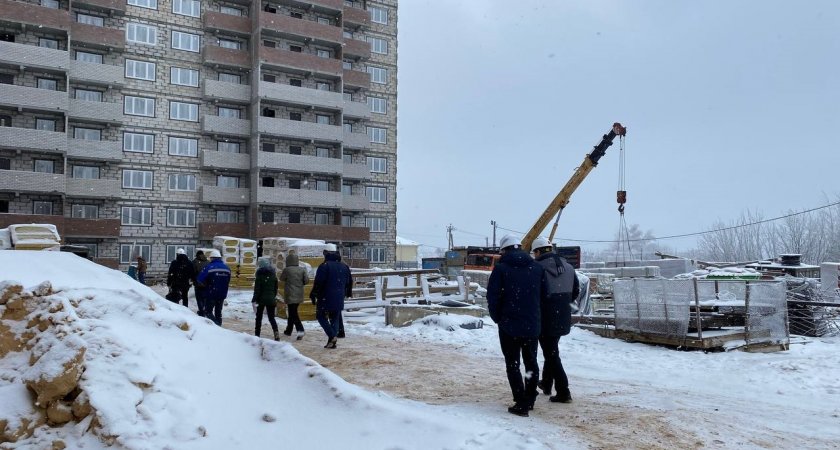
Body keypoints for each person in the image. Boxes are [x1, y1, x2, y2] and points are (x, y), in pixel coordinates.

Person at [486, 234, 545, 417]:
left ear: (504, 250)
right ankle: (530, 399)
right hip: (531, 324)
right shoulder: (537, 268)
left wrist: (498, 318)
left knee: (512, 364)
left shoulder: (501, 269)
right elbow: (544, 295)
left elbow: (492, 297)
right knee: (531, 363)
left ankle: (520, 402)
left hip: (509, 326)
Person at [532, 237, 580, 404]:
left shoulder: (536, 268)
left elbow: (534, 294)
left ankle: (563, 391)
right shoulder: (568, 267)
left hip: (544, 317)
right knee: (551, 351)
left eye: (534, 253)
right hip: (562, 315)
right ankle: (546, 383)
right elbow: (575, 292)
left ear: (538, 252)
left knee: (551, 354)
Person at [309, 244, 352, 349]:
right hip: (339, 296)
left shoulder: (324, 266)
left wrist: (314, 293)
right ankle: (332, 342)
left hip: (325, 296)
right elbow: (349, 282)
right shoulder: (345, 267)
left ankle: (332, 336)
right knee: (335, 317)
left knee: (320, 316)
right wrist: (347, 293)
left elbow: (319, 282)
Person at [196, 249, 232, 326]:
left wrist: (205, 286)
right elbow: (228, 280)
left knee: (208, 312)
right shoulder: (227, 268)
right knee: (218, 313)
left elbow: (199, 280)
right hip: (222, 294)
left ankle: (216, 325)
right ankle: (219, 328)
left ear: (212, 258)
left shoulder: (209, 267)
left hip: (211, 293)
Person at [279, 252, 309, 340]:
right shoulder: (302, 269)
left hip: (290, 294)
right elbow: (306, 281)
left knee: (293, 313)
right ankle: (289, 330)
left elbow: (281, 279)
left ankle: (301, 330)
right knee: (292, 311)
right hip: (299, 294)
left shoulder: (287, 270)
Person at [252, 258, 280, 340]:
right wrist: (272, 296)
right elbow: (275, 289)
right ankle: (276, 332)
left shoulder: (259, 276)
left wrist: (254, 299)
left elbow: (257, 290)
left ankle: (257, 334)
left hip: (261, 300)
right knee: (271, 318)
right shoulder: (274, 276)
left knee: (259, 317)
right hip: (271, 299)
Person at [192, 250, 210, 316]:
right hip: (206, 283)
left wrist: (194, 281)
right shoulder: (208, 262)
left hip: (198, 283)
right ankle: (204, 310)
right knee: (205, 297)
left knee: (199, 298)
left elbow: (193, 273)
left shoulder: (194, 262)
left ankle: (201, 311)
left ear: (197, 255)